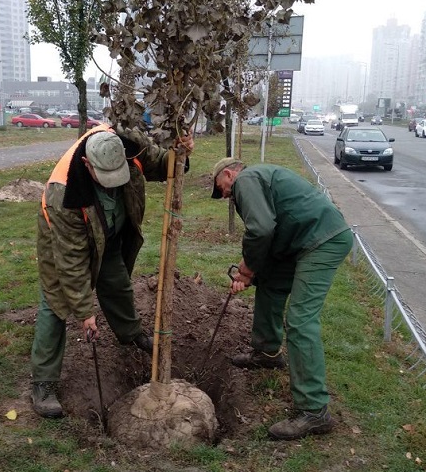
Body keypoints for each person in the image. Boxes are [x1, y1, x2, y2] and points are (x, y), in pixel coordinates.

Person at [31, 123, 193, 418]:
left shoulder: (129, 144)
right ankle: (43, 382)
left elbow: (162, 163)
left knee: (117, 283)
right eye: (105, 178)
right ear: (86, 165)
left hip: (109, 231)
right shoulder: (64, 195)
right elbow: (72, 262)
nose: (112, 183)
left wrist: (181, 153)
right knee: (56, 304)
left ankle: (130, 335)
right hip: (64, 240)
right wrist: (84, 311)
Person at [210, 157, 353, 440]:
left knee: (300, 321)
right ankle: (266, 352)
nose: (224, 194)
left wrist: (247, 268)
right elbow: (270, 231)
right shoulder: (261, 179)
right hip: (299, 240)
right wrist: (249, 272)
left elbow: (261, 229)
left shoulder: (246, 180)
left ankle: (314, 411)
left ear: (229, 173)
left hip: (322, 241)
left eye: (221, 188)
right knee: (270, 284)